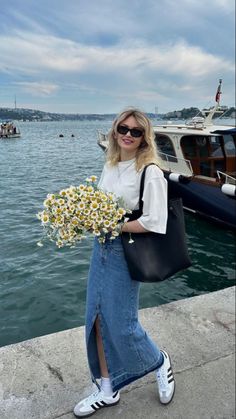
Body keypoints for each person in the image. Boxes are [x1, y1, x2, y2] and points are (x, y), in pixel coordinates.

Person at [74, 108, 175, 417]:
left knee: (122, 325)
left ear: (145, 137)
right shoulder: (112, 162)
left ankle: (159, 361)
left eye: (136, 131)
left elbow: (155, 222)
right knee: (96, 320)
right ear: (115, 129)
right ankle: (108, 388)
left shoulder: (150, 170)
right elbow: (103, 206)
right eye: (123, 128)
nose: (128, 135)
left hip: (124, 250)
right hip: (100, 248)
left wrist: (112, 226)